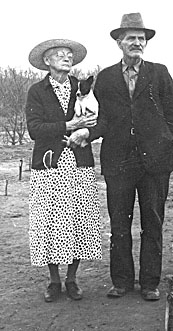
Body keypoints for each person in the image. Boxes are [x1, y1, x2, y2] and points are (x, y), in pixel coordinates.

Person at [69, 13, 173, 301]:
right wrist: (88, 135)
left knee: (153, 224)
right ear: (119, 42)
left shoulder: (159, 73)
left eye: (141, 39)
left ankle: (149, 283)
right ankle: (121, 281)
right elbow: (102, 120)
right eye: (131, 38)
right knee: (119, 224)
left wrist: (165, 144)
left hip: (155, 163)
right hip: (119, 162)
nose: (137, 43)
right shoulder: (105, 78)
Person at [25, 39, 102, 303]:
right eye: (59, 54)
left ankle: (72, 279)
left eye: (69, 55)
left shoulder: (83, 87)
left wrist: (85, 130)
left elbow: (96, 120)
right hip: (49, 164)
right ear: (47, 61)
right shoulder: (37, 91)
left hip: (79, 162)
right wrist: (68, 124)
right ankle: (54, 281)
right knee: (50, 222)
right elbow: (35, 129)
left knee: (78, 220)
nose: (66, 58)